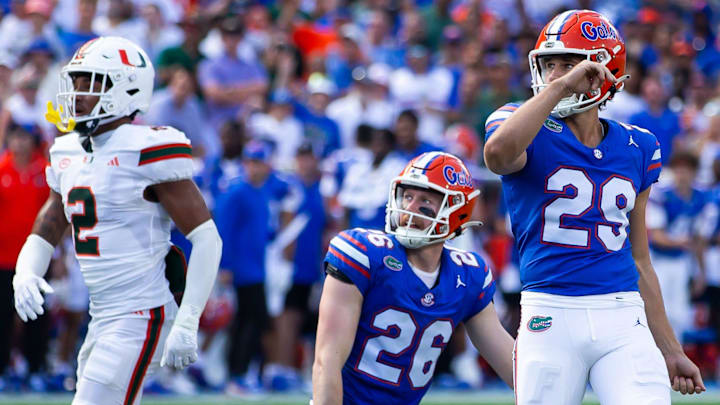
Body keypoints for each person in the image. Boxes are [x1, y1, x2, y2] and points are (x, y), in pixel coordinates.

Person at [482, 10, 705, 404]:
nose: (555, 74)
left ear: (605, 71)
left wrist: (670, 347)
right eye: (548, 64)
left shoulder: (638, 145)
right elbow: (498, 155)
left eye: (568, 63)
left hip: (622, 313)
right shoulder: (521, 124)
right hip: (549, 312)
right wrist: (560, 87)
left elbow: (639, 258)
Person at [12, 36, 222, 405]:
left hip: (141, 312)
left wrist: (188, 322)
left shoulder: (146, 149)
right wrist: (26, 271)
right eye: (75, 82)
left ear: (125, 89)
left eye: (88, 82)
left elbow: (207, 238)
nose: (77, 93)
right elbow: (49, 224)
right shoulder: (69, 150)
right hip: (103, 313)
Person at [312, 151, 514, 405]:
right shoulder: (363, 253)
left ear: (456, 211)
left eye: (425, 201)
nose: (409, 209)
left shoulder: (468, 274)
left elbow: (513, 366)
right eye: (407, 196)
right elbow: (326, 360)